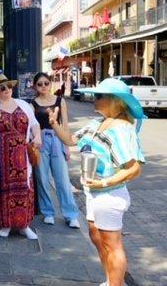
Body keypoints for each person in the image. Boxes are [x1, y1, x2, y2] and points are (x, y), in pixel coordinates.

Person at [48, 78, 145, 286]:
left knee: (112, 244)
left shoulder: (121, 128)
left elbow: (134, 168)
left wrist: (103, 183)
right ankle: (110, 280)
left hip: (109, 194)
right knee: (96, 237)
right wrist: (54, 124)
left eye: (99, 96)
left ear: (115, 101)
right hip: (93, 192)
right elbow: (71, 140)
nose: (94, 98)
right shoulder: (98, 123)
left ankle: (116, 284)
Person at [0, 73, 42, 239]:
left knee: (24, 190)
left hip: (21, 160)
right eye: (2, 88)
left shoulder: (23, 105)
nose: (7, 90)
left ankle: (24, 225)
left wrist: (38, 136)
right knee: (2, 192)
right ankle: (5, 224)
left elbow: (34, 124)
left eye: (9, 87)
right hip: (0, 160)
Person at [30, 72, 80, 228]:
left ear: (50, 83)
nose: (43, 86)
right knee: (42, 178)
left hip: (57, 140)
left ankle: (70, 215)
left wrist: (67, 145)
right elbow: (32, 126)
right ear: (35, 86)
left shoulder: (60, 101)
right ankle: (48, 212)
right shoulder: (33, 104)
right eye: (40, 84)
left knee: (62, 179)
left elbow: (65, 125)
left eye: (46, 83)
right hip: (41, 142)